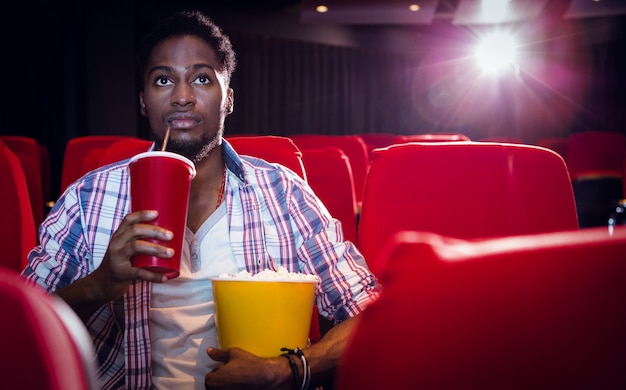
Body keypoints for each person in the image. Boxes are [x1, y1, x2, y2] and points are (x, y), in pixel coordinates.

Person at [21, 9, 381, 390]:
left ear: (228, 99)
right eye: (163, 80)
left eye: (202, 79)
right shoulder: (87, 198)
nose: (182, 97)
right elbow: (20, 327)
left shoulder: (283, 192)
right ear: (143, 101)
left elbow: (373, 313)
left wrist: (287, 369)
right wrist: (99, 284)